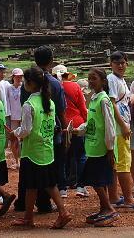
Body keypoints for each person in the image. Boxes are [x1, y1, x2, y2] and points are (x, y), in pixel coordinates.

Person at [9, 66, 72, 229]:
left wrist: (14, 133)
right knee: (45, 184)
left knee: (35, 185)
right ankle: (28, 217)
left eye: (24, 81)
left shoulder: (29, 105)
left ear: (30, 83)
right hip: (47, 150)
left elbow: (26, 130)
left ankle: (63, 212)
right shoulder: (49, 103)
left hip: (32, 152)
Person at [71, 68, 119, 227]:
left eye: (94, 79)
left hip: (101, 148)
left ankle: (109, 209)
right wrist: (79, 130)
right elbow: (92, 122)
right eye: (89, 78)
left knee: (96, 180)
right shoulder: (94, 99)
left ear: (103, 81)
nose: (91, 81)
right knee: (100, 180)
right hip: (93, 146)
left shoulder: (104, 100)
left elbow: (109, 125)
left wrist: (110, 148)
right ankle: (103, 208)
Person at [105, 52, 134, 213]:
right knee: (123, 163)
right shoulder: (112, 80)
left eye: (123, 62)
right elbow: (111, 104)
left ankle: (114, 197)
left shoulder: (119, 80)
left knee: (116, 165)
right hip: (119, 129)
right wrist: (124, 125)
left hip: (119, 128)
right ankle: (129, 199)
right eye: (117, 62)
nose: (120, 65)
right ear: (110, 64)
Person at [53, 64, 88, 198]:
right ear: (67, 75)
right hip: (76, 124)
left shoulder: (53, 87)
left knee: (61, 158)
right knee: (81, 156)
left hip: (60, 125)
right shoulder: (75, 86)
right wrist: (86, 122)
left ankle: (62, 188)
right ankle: (80, 186)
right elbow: (83, 107)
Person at [6, 68, 25, 164]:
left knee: (23, 139)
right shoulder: (8, 88)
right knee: (13, 139)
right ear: (13, 77)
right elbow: (7, 102)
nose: (19, 78)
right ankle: (17, 160)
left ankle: (22, 159)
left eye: (20, 76)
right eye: (17, 76)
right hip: (13, 117)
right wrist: (8, 115)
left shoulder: (24, 87)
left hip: (23, 116)